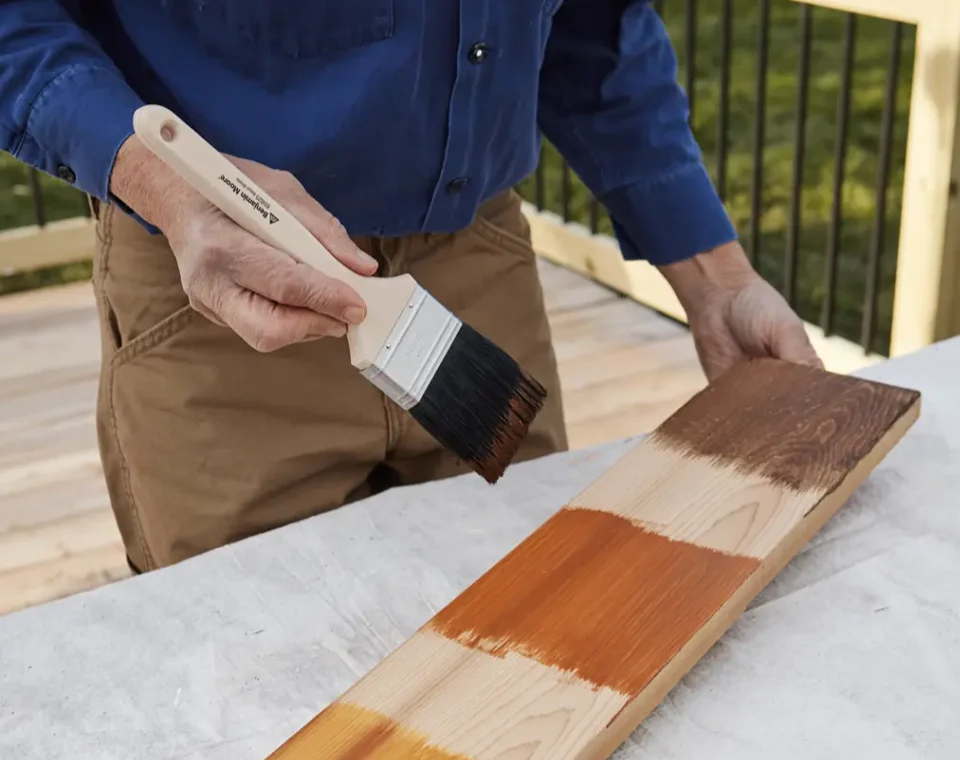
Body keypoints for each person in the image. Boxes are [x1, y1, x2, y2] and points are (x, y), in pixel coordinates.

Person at [0, 1, 823, 573]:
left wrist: (718, 281)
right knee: (267, 705)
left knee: (536, 624)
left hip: (480, 269)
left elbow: (591, 28)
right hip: (226, 289)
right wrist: (161, 181)